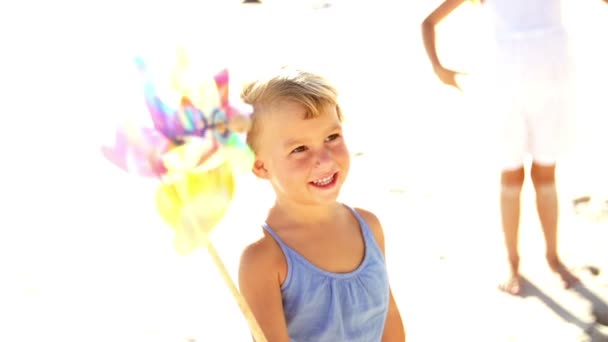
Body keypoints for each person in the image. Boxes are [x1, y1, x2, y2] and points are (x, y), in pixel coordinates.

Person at [420, 0, 608, 295]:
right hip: (503, 91)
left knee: (546, 176)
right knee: (511, 178)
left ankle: (553, 257)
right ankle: (513, 262)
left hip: (554, 86)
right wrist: (438, 68)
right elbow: (428, 22)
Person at [237, 67, 406, 341]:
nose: (325, 159)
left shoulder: (369, 227)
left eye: (332, 137)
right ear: (260, 165)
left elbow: (389, 316)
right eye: (299, 149)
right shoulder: (263, 259)